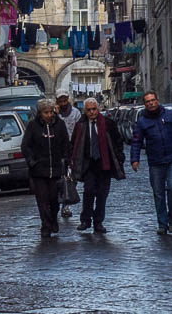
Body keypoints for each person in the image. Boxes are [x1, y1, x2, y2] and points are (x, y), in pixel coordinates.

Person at [130, 90, 172, 235]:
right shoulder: (142, 121)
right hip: (155, 161)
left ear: (157, 100)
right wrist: (134, 159)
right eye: (148, 101)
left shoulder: (170, 115)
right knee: (158, 193)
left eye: (153, 100)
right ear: (145, 104)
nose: (151, 103)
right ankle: (162, 224)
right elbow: (136, 141)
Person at [70, 97, 125, 233]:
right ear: (85, 111)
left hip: (104, 165)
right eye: (89, 110)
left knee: (102, 195)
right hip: (88, 165)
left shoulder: (108, 124)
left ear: (98, 109)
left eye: (94, 109)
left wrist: (119, 158)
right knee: (88, 192)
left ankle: (98, 222)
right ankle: (85, 220)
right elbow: (74, 144)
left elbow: (117, 142)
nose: (92, 112)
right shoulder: (81, 125)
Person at [20, 97, 71, 238]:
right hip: (39, 171)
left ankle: (53, 220)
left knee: (54, 199)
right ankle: (45, 225)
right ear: (40, 113)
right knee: (42, 200)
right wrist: (32, 161)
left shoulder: (59, 124)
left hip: (56, 169)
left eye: (51, 112)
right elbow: (26, 145)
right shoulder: (33, 126)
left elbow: (66, 143)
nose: (49, 115)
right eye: (46, 113)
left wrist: (65, 160)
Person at [56, 92, 81, 217]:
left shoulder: (76, 113)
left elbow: (80, 130)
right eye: (60, 101)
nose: (63, 104)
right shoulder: (54, 114)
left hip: (73, 148)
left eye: (64, 101)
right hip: (59, 150)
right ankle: (61, 203)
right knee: (60, 178)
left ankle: (66, 204)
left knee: (72, 178)